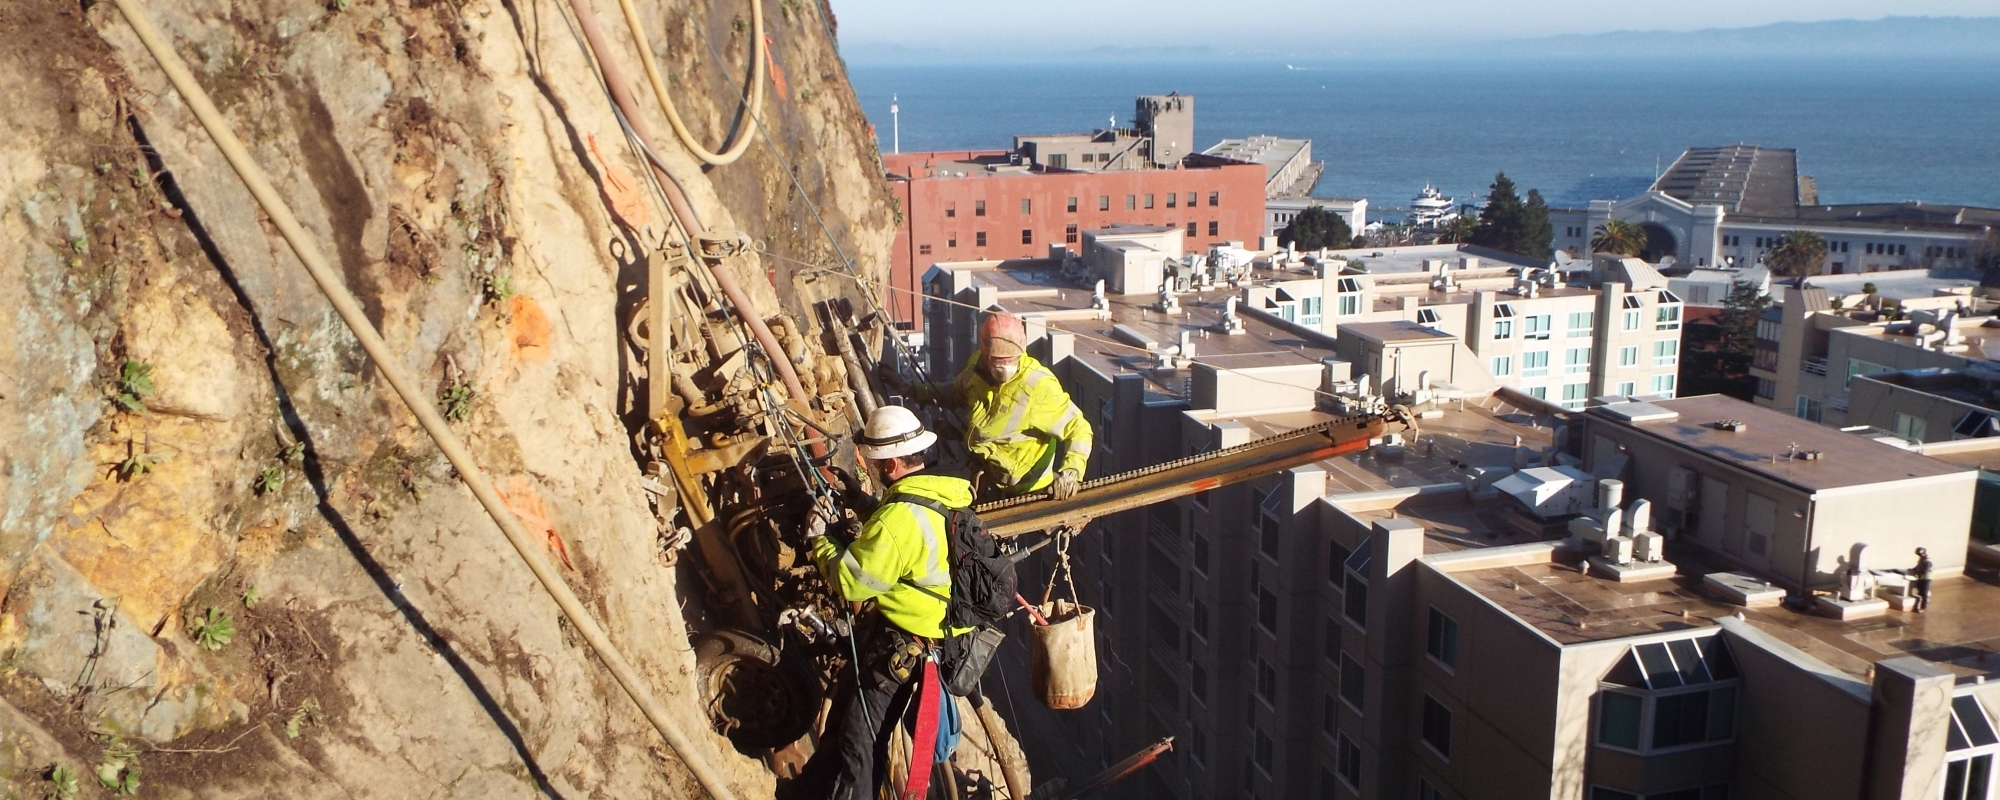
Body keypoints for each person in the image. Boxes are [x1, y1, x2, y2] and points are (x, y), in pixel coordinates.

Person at [791, 405, 972, 800]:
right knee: (842, 728)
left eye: (872, 463)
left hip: (900, 649)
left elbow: (853, 583)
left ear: (889, 464)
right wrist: (858, 499)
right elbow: (907, 528)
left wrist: (819, 541)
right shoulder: (941, 494)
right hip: (926, 645)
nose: (869, 468)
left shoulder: (898, 521)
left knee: (859, 742)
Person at [912, 309, 1093, 500]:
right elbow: (955, 393)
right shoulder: (976, 370)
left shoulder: (1037, 386)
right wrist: (914, 390)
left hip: (1028, 489)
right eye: (998, 361)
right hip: (988, 477)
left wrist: (1071, 473)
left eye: (1011, 360)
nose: (1005, 368)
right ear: (985, 353)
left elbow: (1079, 428)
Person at [1909, 547, 1934, 613]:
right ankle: (1918, 605)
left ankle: (1923, 607)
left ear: (1924, 553)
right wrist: (1913, 570)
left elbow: (1925, 571)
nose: (1919, 556)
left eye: (1920, 554)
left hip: (1926, 578)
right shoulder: (1922, 559)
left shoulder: (1928, 561)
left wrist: (1917, 572)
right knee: (1920, 592)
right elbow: (1918, 566)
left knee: (1924, 592)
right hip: (1921, 577)